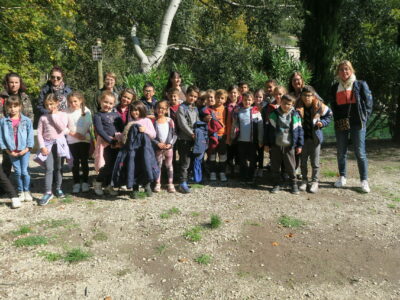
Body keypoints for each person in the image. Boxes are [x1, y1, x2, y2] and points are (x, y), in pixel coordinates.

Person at [329, 60, 373, 193]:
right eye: (341, 69)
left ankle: (364, 180)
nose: (344, 72)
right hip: (341, 123)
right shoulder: (335, 87)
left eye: (347, 69)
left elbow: (369, 103)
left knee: (360, 152)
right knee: (341, 152)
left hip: (357, 123)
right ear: (338, 72)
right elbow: (334, 105)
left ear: (352, 70)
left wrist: (364, 118)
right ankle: (342, 177)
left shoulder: (360, 85)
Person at [264, 94, 303, 194]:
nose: (286, 106)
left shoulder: (296, 115)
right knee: (275, 166)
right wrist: (267, 144)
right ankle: (277, 183)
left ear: (292, 104)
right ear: (280, 102)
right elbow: (268, 130)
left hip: (289, 146)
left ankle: (293, 184)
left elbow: (299, 131)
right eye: (284, 103)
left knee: (290, 166)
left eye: (289, 104)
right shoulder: (273, 114)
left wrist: (299, 145)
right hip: (276, 145)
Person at [36, 94, 71, 205]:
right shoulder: (43, 117)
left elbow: (62, 128)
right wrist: (42, 146)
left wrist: (54, 115)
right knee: (49, 168)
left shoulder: (63, 115)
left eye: (51, 104)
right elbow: (40, 133)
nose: (49, 106)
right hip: (48, 146)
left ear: (57, 103)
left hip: (60, 144)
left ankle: (58, 188)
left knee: (59, 167)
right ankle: (48, 192)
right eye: (47, 105)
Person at [296, 86, 332, 193]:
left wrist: (323, 123)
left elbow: (329, 115)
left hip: (315, 139)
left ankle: (315, 182)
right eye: (304, 95)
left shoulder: (319, 106)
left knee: (315, 162)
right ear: (301, 96)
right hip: (302, 139)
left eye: (309, 95)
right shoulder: (297, 106)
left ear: (313, 96)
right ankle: (304, 180)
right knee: (303, 162)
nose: (307, 98)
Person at [0, 96, 34, 206]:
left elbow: (30, 136)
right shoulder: (3, 122)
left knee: (25, 171)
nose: (13, 109)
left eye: (15, 106)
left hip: (24, 150)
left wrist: (27, 149)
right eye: (10, 107)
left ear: (20, 107)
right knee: (18, 172)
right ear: (7, 108)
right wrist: (8, 151)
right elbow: (1, 138)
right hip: (12, 152)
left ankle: (26, 191)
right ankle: (20, 192)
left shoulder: (26, 120)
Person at [0, 72, 34, 177]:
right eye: (11, 82)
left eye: (16, 82)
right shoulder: (2, 98)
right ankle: (5, 187)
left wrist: (26, 129)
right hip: (8, 134)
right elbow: (1, 116)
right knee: (7, 162)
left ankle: (25, 185)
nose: (14, 85)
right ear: (7, 83)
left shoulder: (24, 96)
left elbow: (30, 114)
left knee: (24, 160)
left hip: (23, 134)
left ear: (20, 83)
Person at [122, 101, 156, 197]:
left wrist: (146, 130)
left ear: (141, 110)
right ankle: (135, 188)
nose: (134, 112)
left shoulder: (147, 121)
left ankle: (147, 186)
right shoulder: (130, 123)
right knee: (134, 167)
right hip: (133, 151)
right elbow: (125, 136)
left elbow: (153, 135)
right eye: (132, 110)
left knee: (145, 166)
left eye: (136, 110)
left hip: (145, 149)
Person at [93, 91, 124, 196]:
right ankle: (97, 182)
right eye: (105, 102)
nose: (108, 105)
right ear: (100, 101)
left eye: (110, 103)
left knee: (115, 165)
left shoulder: (116, 115)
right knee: (108, 165)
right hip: (106, 144)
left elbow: (122, 128)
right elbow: (100, 130)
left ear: (114, 104)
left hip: (117, 143)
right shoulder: (98, 115)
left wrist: (121, 140)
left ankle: (108, 186)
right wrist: (111, 141)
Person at [230, 92, 263, 182]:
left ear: (252, 101)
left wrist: (260, 139)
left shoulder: (256, 112)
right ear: (242, 100)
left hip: (252, 141)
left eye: (249, 100)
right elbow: (234, 124)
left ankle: (251, 175)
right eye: (245, 100)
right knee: (242, 159)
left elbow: (260, 127)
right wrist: (232, 136)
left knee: (253, 159)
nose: (247, 101)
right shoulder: (238, 111)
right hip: (241, 140)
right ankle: (243, 175)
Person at [66, 92, 92, 194]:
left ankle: (85, 181)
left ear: (80, 100)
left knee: (84, 161)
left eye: (75, 101)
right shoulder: (66, 112)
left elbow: (88, 123)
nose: (73, 104)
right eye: (71, 102)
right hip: (72, 141)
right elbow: (63, 127)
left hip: (84, 140)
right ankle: (76, 182)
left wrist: (82, 135)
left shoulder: (86, 110)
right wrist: (74, 134)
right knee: (75, 162)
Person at [176, 85, 200, 193]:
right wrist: (191, 134)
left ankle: (187, 179)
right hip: (184, 139)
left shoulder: (195, 108)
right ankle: (182, 182)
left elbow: (198, 122)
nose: (193, 98)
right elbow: (182, 124)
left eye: (195, 97)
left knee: (191, 160)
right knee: (184, 161)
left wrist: (199, 133)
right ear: (186, 95)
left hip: (194, 139)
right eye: (191, 96)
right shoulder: (181, 108)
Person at [152, 100, 177, 193]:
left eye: (163, 108)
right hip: (158, 148)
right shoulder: (154, 122)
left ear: (166, 110)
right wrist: (157, 143)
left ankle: (170, 183)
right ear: (155, 109)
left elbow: (174, 134)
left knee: (169, 165)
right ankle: (157, 183)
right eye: (159, 107)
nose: (160, 110)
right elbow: (151, 136)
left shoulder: (170, 121)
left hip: (168, 148)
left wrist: (170, 144)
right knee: (158, 165)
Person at [208, 89, 228, 181]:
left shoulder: (226, 109)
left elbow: (229, 122)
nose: (220, 100)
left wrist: (228, 135)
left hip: (223, 135)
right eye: (218, 98)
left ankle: (222, 172)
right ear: (215, 98)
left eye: (222, 98)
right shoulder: (210, 109)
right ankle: (212, 172)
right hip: (213, 135)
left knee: (222, 156)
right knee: (212, 155)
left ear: (225, 99)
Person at [225, 85, 240, 177]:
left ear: (238, 94)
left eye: (235, 92)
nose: (233, 94)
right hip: (229, 131)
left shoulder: (241, 105)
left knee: (238, 151)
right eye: (231, 92)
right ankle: (229, 167)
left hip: (238, 132)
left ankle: (237, 168)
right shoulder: (226, 106)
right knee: (229, 150)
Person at [253, 89, 265, 177]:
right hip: (253, 133)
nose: (258, 99)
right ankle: (254, 167)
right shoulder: (251, 107)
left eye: (260, 97)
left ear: (263, 98)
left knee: (261, 151)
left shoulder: (266, 107)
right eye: (256, 96)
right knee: (253, 152)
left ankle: (261, 168)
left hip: (263, 133)